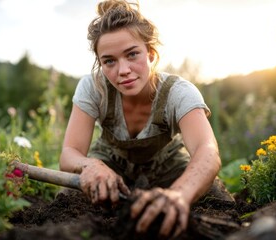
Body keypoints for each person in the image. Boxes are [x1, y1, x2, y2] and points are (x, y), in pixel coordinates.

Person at [59, 0, 230, 238]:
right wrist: (91, 165)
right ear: (100, 63)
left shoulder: (178, 92)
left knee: (219, 202)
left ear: (150, 53)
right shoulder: (93, 88)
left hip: (169, 166)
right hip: (110, 163)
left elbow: (208, 152)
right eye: (109, 61)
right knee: (67, 201)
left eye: (132, 55)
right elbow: (69, 153)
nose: (123, 70)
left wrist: (180, 194)